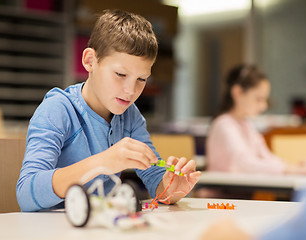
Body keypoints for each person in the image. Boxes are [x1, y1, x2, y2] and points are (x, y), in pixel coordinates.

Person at [16, 9, 201, 212]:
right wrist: (102, 162)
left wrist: (171, 188)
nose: (131, 91)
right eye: (120, 74)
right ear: (89, 61)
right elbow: (25, 194)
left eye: (141, 79)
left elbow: (154, 178)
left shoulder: (131, 117)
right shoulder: (58, 109)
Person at [206, 64, 306, 175]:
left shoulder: (246, 124)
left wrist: (296, 167)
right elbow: (245, 164)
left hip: (239, 190)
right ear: (237, 92)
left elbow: (266, 157)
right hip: (220, 192)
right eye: (259, 99)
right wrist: (289, 169)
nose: (264, 106)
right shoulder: (224, 124)